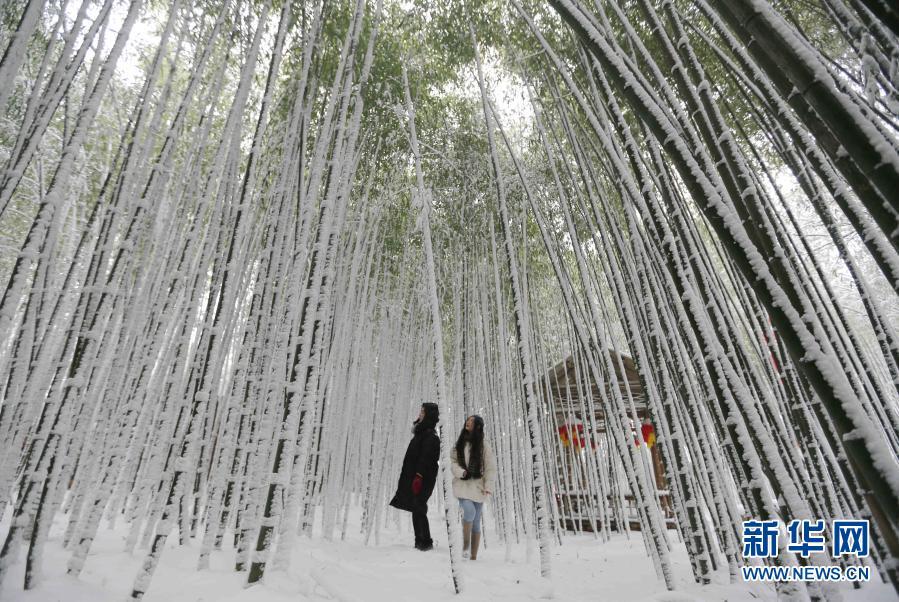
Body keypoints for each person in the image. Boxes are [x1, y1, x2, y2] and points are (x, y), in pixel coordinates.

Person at [390, 402, 440, 551]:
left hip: (423, 479)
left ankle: (425, 542)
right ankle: (420, 541)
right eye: (420, 411)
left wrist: (419, 476)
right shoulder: (421, 434)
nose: (420, 414)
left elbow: (427, 459)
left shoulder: (431, 436)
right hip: (415, 477)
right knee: (416, 506)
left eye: (423, 412)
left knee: (419, 507)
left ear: (429, 415)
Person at [450, 415, 496, 560]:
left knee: (476, 521)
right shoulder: (460, 443)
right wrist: (461, 472)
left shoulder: (484, 446)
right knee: (469, 511)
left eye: (471, 421)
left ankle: (473, 556)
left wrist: (488, 485)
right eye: (467, 420)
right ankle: (465, 547)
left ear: (477, 426)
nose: (467, 422)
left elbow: (490, 468)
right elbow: (452, 461)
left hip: (478, 487)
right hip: (462, 485)